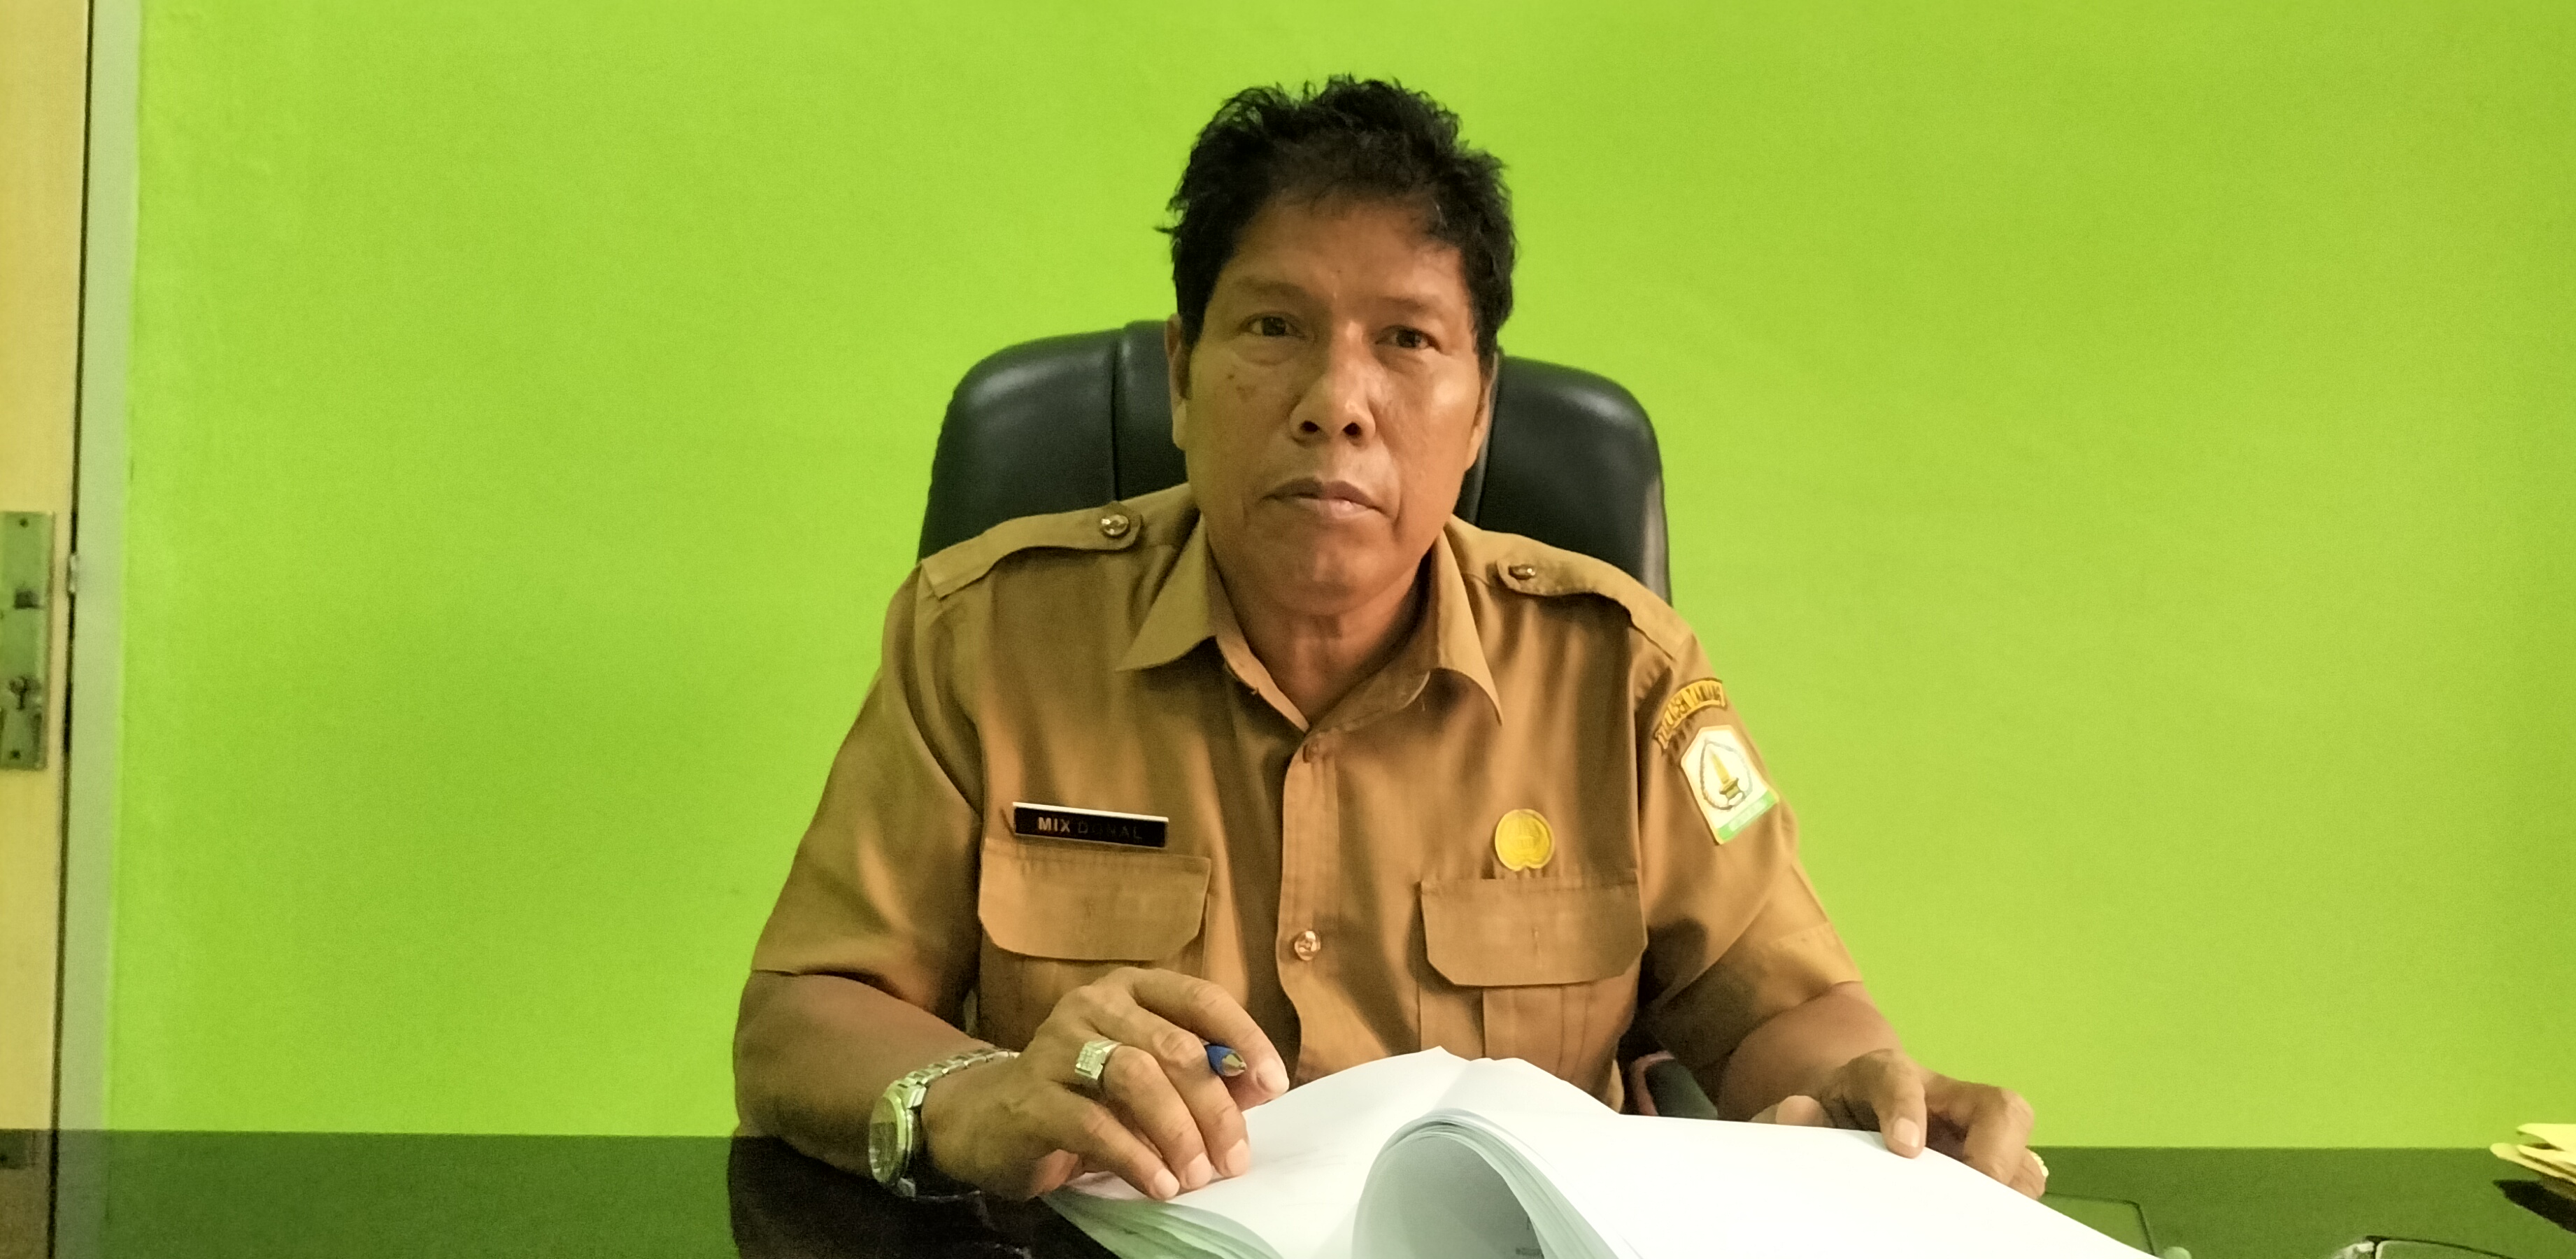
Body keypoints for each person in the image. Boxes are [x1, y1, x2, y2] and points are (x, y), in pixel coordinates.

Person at [734, 76, 2044, 1207]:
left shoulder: (1624, 676)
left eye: (1407, 341)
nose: (1337, 403)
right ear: (1180, 376)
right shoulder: (986, 636)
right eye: (1273, 329)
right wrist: (974, 1098)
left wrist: (1873, 1099)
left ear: (1479, 416)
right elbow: (799, 1017)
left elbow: (1786, 1011)